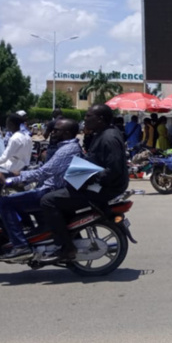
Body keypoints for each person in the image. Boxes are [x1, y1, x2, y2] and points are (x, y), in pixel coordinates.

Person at [39, 104, 129, 261]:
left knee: (48, 201)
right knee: (56, 194)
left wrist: (86, 180)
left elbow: (113, 171)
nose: (85, 119)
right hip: (99, 184)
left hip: (105, 188)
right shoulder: (101, 134)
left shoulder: (109, 138)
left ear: (100, 119)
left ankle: (66, 247)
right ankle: (71, 236)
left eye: (88, 116)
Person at [0, 119, 82, 260]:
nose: (53, 132)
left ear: (67, 132)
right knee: (19, 197)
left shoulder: (66, 150)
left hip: (50, 190)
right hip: (44, 184)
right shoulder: (66, 146)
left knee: (4, 203)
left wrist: (11, 179)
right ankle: (32, 233)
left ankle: (21, 245)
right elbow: (44, 168)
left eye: (57, 130)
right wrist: (20, 174)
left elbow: (44, 172)